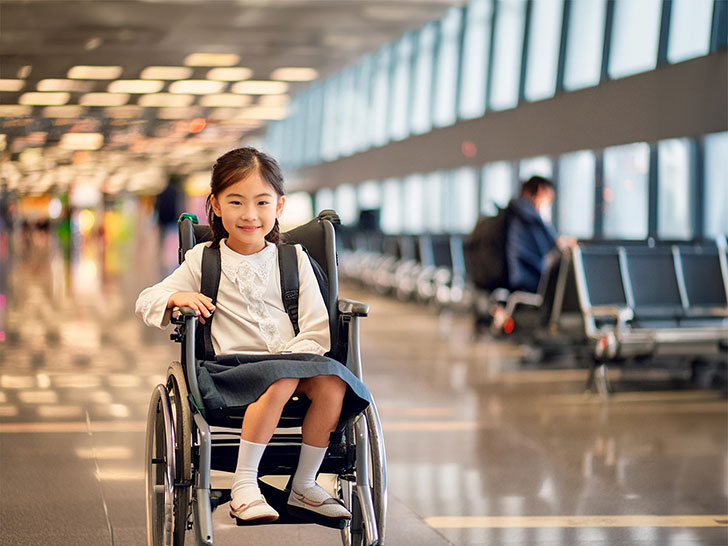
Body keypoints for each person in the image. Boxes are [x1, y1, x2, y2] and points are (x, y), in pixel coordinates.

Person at [136, 147, 371, 524]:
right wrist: (177, 296)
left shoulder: (293, 260)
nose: (249, 214)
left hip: (294, 361)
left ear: (278, 206)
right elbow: (147, 301)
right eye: (236, 202)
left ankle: (305, 484)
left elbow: (316, 329)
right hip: (228, 370)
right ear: (215, 205)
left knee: (332, 384)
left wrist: (292, 363)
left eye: (261, 202)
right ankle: (245, 485)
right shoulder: (203, 259)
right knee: (280, 379)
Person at [505, 176, 571, 293]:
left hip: (514, 276)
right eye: (550, 198)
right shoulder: (527, 215)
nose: (549, 203)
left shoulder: (515, 212)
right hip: (525, 279)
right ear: (541, 190)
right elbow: (549, 247)